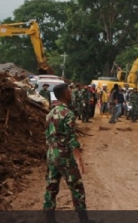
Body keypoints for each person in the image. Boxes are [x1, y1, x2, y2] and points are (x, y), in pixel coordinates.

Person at [43, 83, 95, 223]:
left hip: (51, 154)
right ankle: (84, 219)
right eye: (70, 91)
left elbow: (47, 136)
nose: (71, 94)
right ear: (65, 94)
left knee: (51, 188)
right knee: (77, 187)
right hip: (64, 156)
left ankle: (49, 219)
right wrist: (79, 160)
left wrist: (51, 152)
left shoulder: (50, 114)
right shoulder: (68, 114)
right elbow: (72, 139)